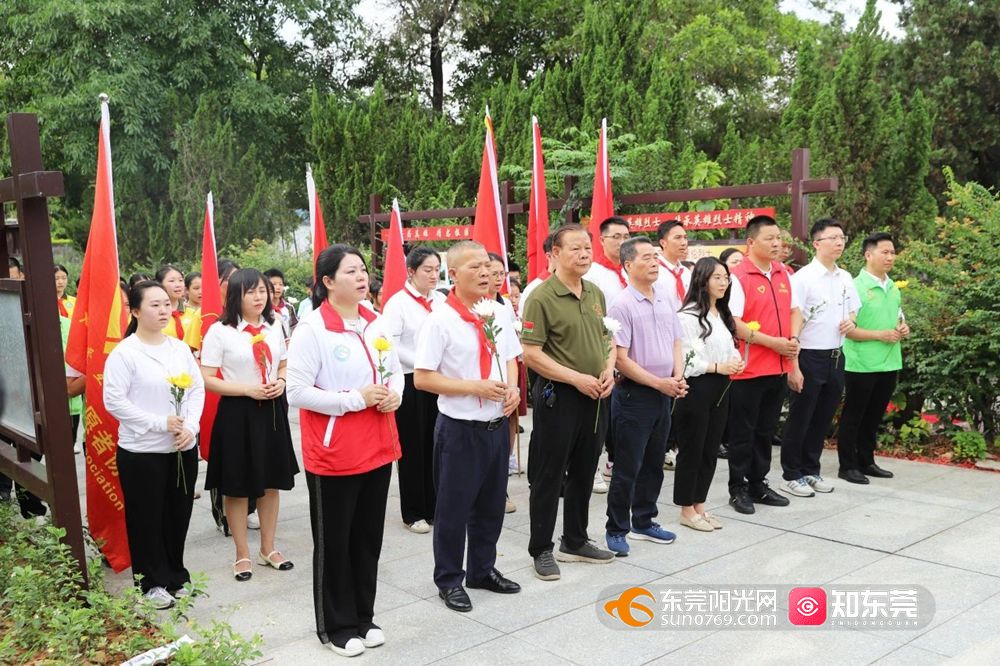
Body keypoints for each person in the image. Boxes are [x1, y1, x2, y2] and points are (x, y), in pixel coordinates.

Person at [286, 244, 402, 657]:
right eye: (350, 271)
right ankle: (336, 626)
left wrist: (394, 396)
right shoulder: (312, 329)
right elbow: (296, 391)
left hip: (378, 445)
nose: (361, 277)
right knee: (335, 541)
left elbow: (394, 373)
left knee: (367, 539)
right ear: (328, 282)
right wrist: (354, 399)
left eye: (363, 270)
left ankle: (364, 616)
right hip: (334, 453)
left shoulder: (376, 323)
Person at [414, 240, 522, 613]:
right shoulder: (439, 321)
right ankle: (448, 579)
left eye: (487, 266)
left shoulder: (497, 312)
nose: (484, 273)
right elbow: (423, 379)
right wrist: (473, 387)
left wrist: (512, 389)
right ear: (454, 274)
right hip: (460, 431)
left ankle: (482, 570)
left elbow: (509, 357)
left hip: (495, 426)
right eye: (473, 267)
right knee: (453, 510)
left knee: (491, 506)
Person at [522, 223, 616, 581]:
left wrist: (609, 370)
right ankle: (541, 548)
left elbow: (607, 338)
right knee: (550, 475)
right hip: (559, 397)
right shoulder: (541, 297)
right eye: (575, 248)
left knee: (584, 470)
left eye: (587, 248)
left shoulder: (595, 293)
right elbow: (531, 353)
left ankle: (575, 539)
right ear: (555, 254)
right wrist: (575, 378)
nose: (584, 254)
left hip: (597, 395)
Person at [103, 281, 205, 609]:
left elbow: (196, 390)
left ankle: (176, 574)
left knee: (178, 513)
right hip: (142, 451)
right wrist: (158, 422)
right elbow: (114, 401)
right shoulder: (125, 353)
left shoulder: (178, 348)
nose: (163, 311)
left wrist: (191, 426)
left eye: (166, 304)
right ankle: (150, 582)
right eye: (154, 305)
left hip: (181, 449)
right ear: (135, 311)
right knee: (146, 517)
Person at [200, 268, 299, 582]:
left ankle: (268, 548)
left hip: (271, 409)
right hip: (237, 412)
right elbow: (206, 378)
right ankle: (242, 553)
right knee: (237, 486)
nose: (260, 297)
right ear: (235, 296)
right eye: (251, 292)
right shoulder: (220, 331)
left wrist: (281, 381)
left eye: (263, 291)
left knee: (271, 481)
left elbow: (283, 361)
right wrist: (245, 389)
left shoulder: (274, 324)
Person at [604, 238, 687, 556]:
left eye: (656, 257)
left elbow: (677, 341)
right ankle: (616, 528)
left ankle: (644, 520)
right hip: (635, 395)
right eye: (647, 258)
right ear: (628, 265)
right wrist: (659, 383)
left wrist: (677, 376)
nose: (654, 262)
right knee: (628, 466)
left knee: (654, 462)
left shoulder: (665, 296)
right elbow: (621, 359)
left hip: (665, 391)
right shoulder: (621, 304)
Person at [779, 219, 860, 498]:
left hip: (837, 355)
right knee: (801, 415)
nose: (839, 242)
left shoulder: (846, 277)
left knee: (823, 416)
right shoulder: (802, 279)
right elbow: (793, 322)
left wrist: (850, 322)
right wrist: (793, 366)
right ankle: (791, 473)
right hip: (809, 355)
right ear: (816, 243)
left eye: (842, 237)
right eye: (833, 238)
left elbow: (853, 312)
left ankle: (810, 469)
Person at [726, 215, 801, 514]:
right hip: (748, 368)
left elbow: (796, 311)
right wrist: (773, 342)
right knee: (743, 432)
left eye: (778, 238)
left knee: (765, 430)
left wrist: (792, 339)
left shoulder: (784, 273)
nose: (776, 243)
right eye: (769, 238)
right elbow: (734, 323)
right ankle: (738, 488)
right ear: (750, 242)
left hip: (779, 366)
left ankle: (758, 483)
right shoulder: (738, 276)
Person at [377, 246, 445, 534]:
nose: (433, 275)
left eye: (436, 269)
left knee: (436, 443)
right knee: (413, 447)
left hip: (438, 381)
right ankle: (413, 510)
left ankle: (435, 505)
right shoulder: (398, 304)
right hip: (410, 380)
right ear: (411, 271)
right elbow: (389, 343)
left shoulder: (441, 301)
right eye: (427, 270)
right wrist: (422, 364)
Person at [674, 258, 744, 531]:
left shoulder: (721, 315)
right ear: (702, 281)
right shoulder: (688, 317)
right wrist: (718, 366)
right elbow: (687, 360)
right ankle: (686, 508)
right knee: (692, 449)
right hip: (697, 387)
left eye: (726, 277)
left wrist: (735, 361)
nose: (724, 282)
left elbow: (730, 347)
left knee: (710, 448)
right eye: (717, 277)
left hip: (721, 386)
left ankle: (700, 504)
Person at [838, 232, 909, 484]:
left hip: (889, 361)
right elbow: (849, 329)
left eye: (892, 252)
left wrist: (903, 327)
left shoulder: (892, 286)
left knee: (874, 415)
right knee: (854, 415)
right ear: (869, 255)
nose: (890, 257)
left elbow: (898, 317)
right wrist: (880, 334)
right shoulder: (855, 287)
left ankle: (866, 461)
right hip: (861, 363)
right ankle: (847, 466)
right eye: (885, 252)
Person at [583, 216, 631, 492]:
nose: (623, 241)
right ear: (601, 240)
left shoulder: (628, 271)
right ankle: (592, 467)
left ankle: (613, 462)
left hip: (627, 353)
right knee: (600, 414)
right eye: (616, 237)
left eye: (626, 236)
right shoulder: (594, 274)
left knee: (619, 416)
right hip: (602, 352)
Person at [654, 220, 691, 471]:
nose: (684, 242)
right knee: (663, 399)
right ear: (663, 242)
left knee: (682, 397)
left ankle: (673, 445)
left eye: (686, 237)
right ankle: (662, 447)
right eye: (677, 237)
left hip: (686, 342)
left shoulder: (687, 273)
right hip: (661, 343)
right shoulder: (655, 271)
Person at [264, 268, 299, 342]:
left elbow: (294, 327)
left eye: (281, 284)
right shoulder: (263, 308)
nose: (278, 287)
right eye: (274, 284)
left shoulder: (289, 307)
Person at [156, 265, 187, 342]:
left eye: (180, 280)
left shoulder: (192, 313)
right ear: (160, 284)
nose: (178, 285)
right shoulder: (153, 314)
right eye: (172, 281)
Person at [181, 271, 202, 336]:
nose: (201, 292)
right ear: (187, 290)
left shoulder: (210, 311)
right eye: (196, 288)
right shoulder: (180, 311)